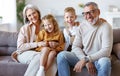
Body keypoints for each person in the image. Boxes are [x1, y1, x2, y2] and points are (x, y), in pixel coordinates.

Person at [57, 2, 113, 76]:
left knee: (105, 61)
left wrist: (86, 59)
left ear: (98, 12)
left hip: (99, 59)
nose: (88, 16)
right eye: (85, 13)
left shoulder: (106, 26)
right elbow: (75, 46)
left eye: (91, 12)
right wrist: (85, 59)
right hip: (84, 57)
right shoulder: (82, 26)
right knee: (61, 55)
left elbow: (106, 51)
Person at [11, 4, 57, 76]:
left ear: (38, 12)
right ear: (27, 18)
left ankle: (42, 72)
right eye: (29, 15)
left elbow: (55, 37)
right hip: (23, 53)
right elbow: (20, 47)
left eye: (34, 13)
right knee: (39, 57)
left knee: (53, 58)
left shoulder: (46, 24)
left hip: (42, 52)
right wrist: (38, 44)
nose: (32, 16)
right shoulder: (24, 28)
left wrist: (53, 43)